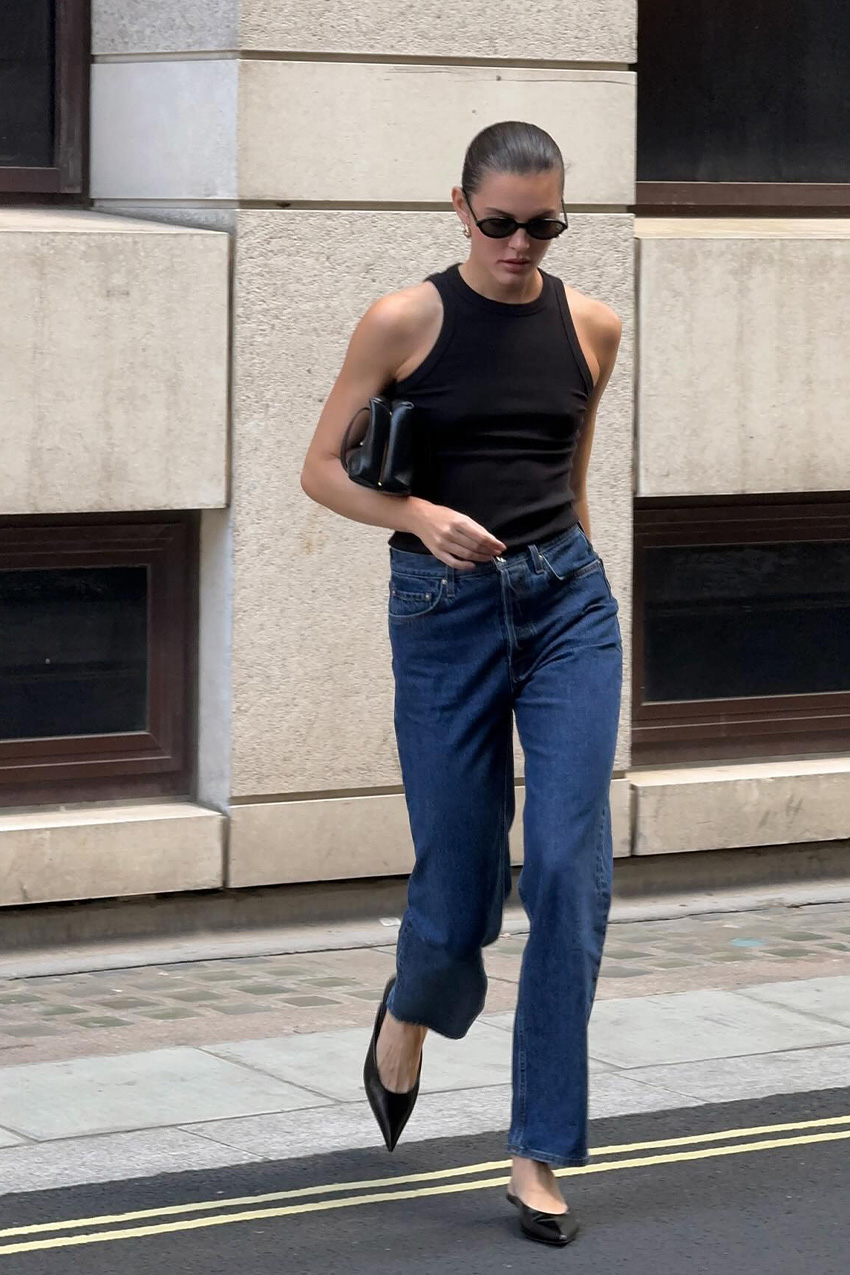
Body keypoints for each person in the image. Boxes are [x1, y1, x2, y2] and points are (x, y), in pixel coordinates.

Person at [300, 120, 623, 1248]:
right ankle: (412, 1006)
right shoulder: (403, 319)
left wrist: (574, 587)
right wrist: (414, 513)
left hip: (567, 605)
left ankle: (537, 1149)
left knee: (574, 871)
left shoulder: (592, 325)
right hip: (442, 615)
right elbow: (319, 468)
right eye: (499, 224)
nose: (520, 244)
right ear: (459, 209)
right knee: (461, 878)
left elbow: (572, 481)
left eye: (544, 224)